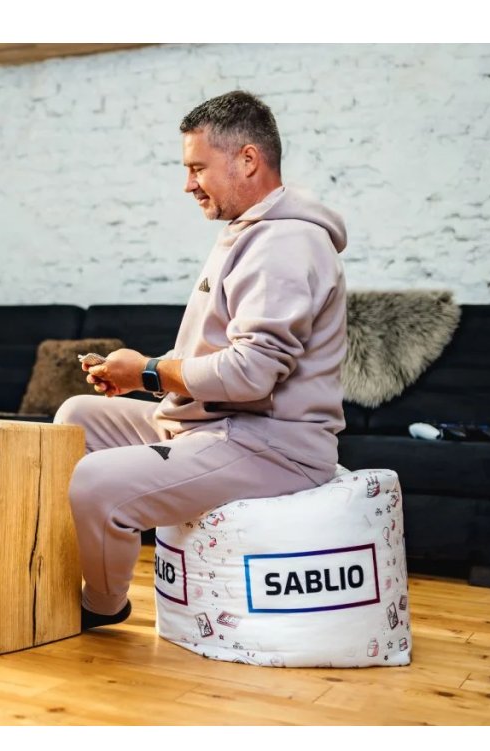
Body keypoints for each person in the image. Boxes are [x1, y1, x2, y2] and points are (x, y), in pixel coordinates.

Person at [54, 90, 348, 630]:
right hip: (217, 424)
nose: (187, 184)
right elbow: (217, 354)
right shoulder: (248, 231)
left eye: (197, 168)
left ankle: (101, 605)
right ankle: (49, 569)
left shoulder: (285, 243)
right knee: (76, 418)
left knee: (96, 481)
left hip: (270, 445)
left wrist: (148, 371)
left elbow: (252, 374)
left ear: (248, 160)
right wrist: (141, 379)